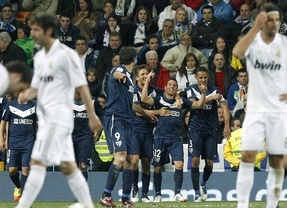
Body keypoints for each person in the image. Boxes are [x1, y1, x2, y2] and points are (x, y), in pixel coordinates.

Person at [15, 13, 103, 208]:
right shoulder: (39, 58)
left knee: (38, 163)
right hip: (49, 117)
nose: (32, 34)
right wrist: (25, 95)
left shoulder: (66, 55)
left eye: (36, 30)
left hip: (61, 117)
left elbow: (82, 87)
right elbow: (37, 87)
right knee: (68, 166)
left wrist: (91, 115)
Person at [232, 3, 287, 208]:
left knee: (276, 160)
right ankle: (242, 205)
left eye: (277, 19)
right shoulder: (253, 43)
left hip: (278, 111)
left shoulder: (284, 44)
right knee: (247, 155)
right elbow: (237, 52)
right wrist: (255, 27)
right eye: (270, 19)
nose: (274, 23)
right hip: (255, 109)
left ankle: (272, 205)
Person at [141, 75, 207, 203]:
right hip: (160, 137)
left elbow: (198, 105)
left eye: (174, 85)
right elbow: (144, 99)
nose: (172, 87)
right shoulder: (159, 100)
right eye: (169, 85)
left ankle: (177, 193)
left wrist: (203, 94)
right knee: (158, 168)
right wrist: (147, 82)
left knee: (180, 164)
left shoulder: (181, 102)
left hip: (176, 139)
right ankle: (158, 194)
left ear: (177, 88)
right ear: (165, 87)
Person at [99, 47, 140, 208]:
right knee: (121, 157)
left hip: (128, 120)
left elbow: (132, 103)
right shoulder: (120, 70)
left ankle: (125, 199)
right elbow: (116, 73)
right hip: (115, 118)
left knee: (130, 160)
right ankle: (106, 195)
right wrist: (119, 75)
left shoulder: (131, 79)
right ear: (133, 59)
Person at [186, 66, 230, 202]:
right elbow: (196, 105)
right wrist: (211, 98)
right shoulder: (191, 89)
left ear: (208, 77)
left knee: (210, 163)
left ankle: (203, 184)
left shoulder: (215, 89)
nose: (203, 80)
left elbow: (224, 106)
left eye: (205, 77)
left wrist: (227, 125)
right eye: (200, 78)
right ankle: (196, 193)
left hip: (211, 129)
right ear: (196, 78)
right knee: (195, 160)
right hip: (195, 129)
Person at [0, 90, 37, 201]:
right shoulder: (11, 105)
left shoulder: (34, 106)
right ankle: (18, 187)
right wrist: (1, 139)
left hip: (29, 142)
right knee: (12, 170)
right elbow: (3, 122)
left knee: (26, 169)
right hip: (14, 142)